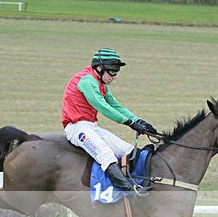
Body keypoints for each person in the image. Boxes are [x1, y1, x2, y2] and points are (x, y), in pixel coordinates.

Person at [62, 48, 157, 193]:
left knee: (129, 150)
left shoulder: (99, 83)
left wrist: (139, 121)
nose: (115, 76)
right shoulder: (87, 81)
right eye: (112, 71)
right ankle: (127, 189)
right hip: (77, 128)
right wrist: (130, 123)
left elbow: (114, 104)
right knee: (106, 154)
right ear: (99, 68)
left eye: (116, 72)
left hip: (91, 126)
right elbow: (103, 107)